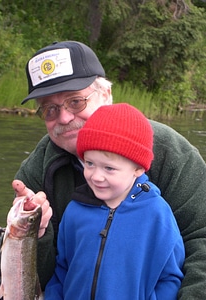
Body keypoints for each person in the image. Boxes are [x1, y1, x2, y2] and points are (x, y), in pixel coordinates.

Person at [13, 40, 206, 299]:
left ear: (106, 95)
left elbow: (201, 238)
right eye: (50, 109)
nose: (64, 118)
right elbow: (44, 276)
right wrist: (37, 234)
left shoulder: (171, 151)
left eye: (76, 101)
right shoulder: (35, 173)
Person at [44, 103, 185, 299]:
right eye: (90, 164)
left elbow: (170, 277)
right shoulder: (75, 210)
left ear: (138, 169)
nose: (96, 177)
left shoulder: (157, 214)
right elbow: (62, 269)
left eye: (109, 168)